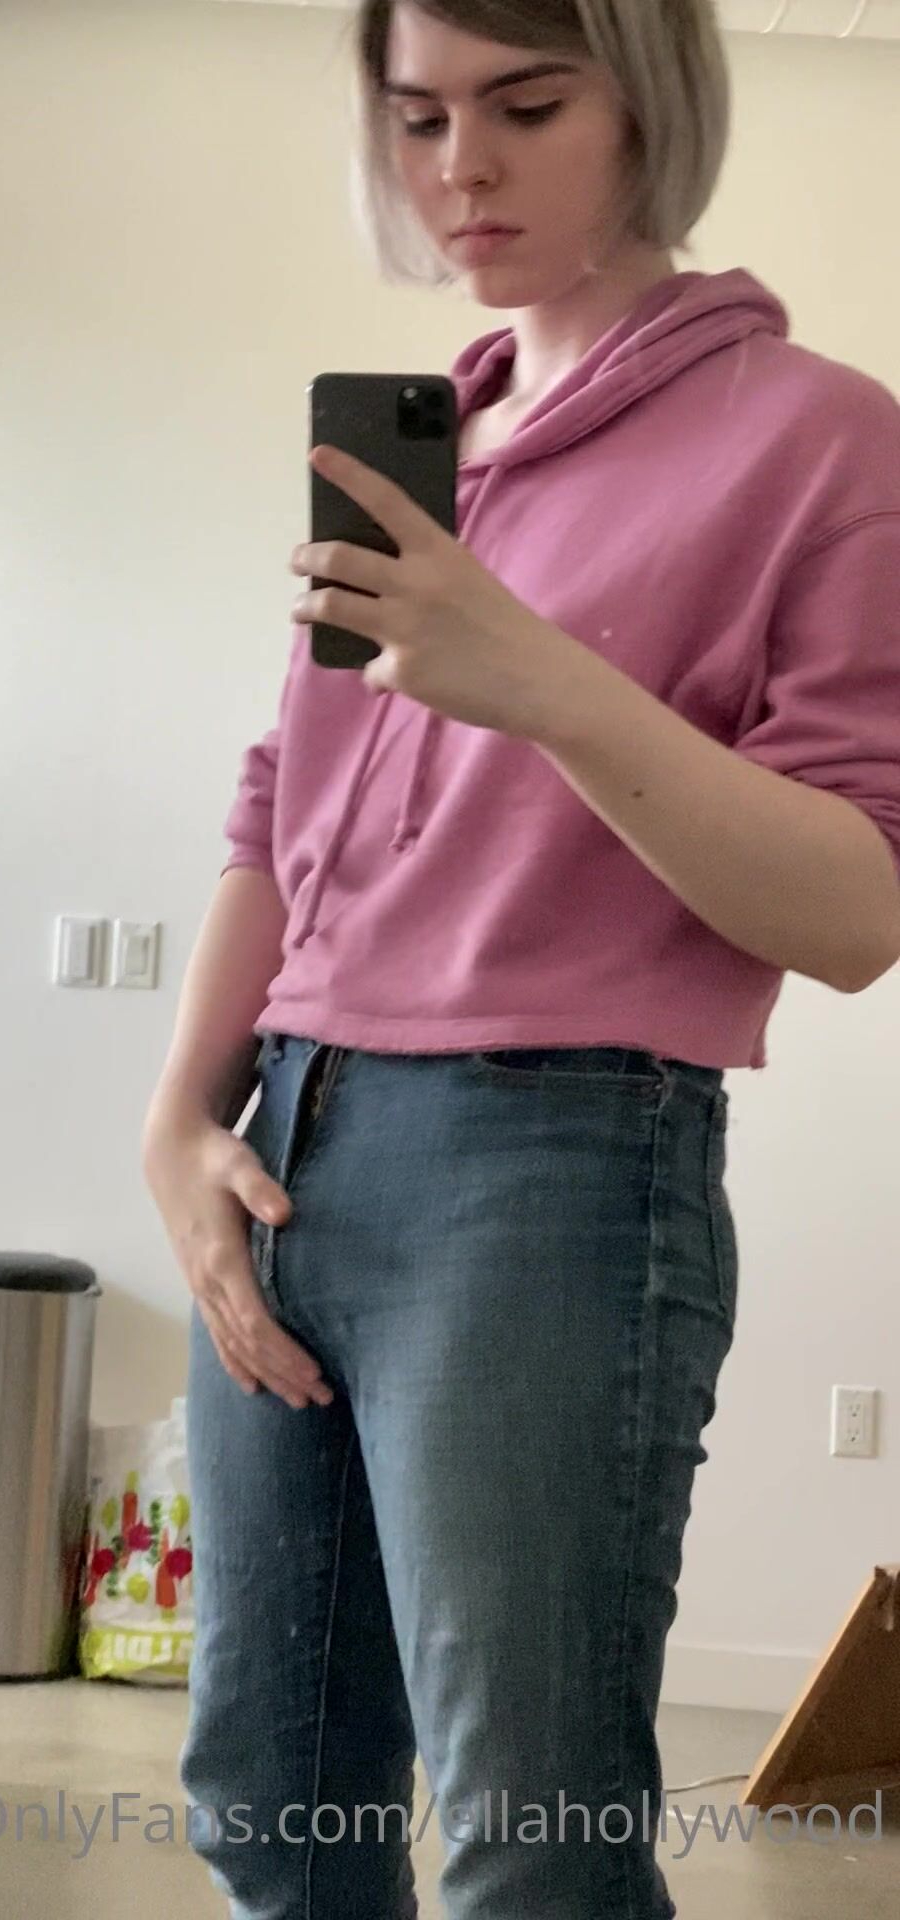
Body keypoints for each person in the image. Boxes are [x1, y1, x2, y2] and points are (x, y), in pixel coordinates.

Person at [143, 3, 900, 1914]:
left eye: (526, 105)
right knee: (268, 1797)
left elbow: (858, 907)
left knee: (530, 1844)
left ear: (648, 103)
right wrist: (177, 1126)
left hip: (552, 1167)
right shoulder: (423, 448)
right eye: (415, 118)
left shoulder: (820, 439)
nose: (459, 168)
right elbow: (279, 805)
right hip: (285, 1131)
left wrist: (541, 681)